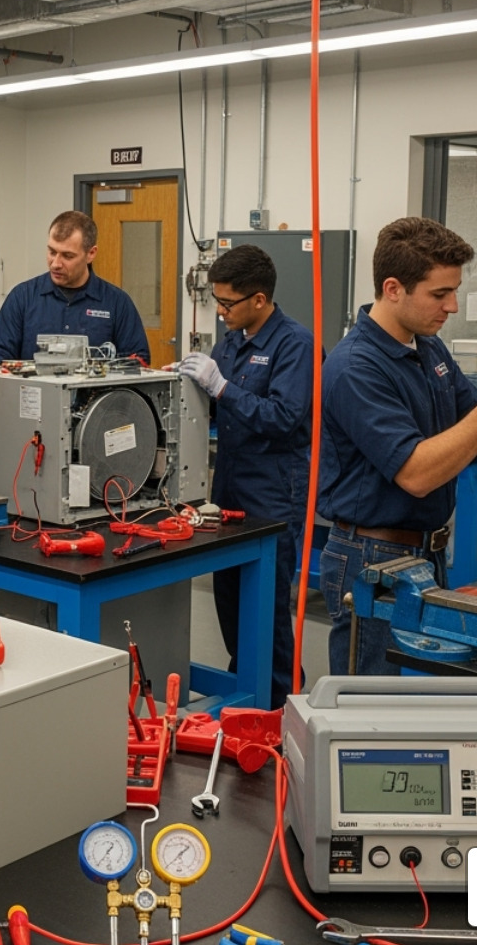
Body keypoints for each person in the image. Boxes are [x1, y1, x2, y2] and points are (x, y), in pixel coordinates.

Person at [318, 217, 477, 676]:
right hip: (371, 558)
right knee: (371, 706)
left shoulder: (429, 349)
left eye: (455, 290)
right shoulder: (355, 366)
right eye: (439, 294)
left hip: (426, 553)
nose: (453, 306)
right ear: (393, 288)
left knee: (417, 700)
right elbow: (418, 474)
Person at [176, 245, 312, 708]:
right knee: (229, 598)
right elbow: (218, 407)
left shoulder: (296, 344)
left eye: (227, 303)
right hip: (229, 486)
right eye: (216, 300)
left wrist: (222, 387)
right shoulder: (230, 342)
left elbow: (284, 417)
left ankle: (279, 704)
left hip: (274, 490)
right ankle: (245, 686)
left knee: (267, 608)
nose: (219, 311)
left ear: (259, 299)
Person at [0, 210, 150, 363]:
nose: (55, 264)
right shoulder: (23, 297)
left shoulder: (117, 303)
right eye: (52, 252)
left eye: (67, 256)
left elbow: (137, 361)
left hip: (95, 397)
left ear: (91, 253)